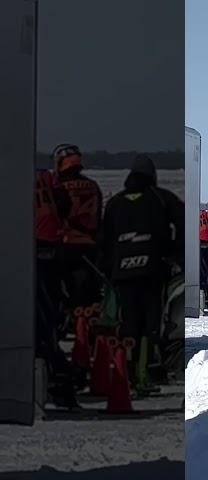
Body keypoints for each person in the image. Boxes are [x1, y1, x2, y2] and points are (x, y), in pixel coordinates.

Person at [101, 155, 184, 393]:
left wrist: (109, 267)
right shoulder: (160, 198)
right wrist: (174, 253)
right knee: (152, 321)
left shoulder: (115, 202)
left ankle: (125, 370)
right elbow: (182, 222)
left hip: (122, 273)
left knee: (127, 321)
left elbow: (104, 238)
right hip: (152, 270)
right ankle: (146, 370)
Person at [35, 168, 78, 408]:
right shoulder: (47, 176)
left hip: (29, 245)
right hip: (52, 247)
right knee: (45, 318)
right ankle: (60, 384)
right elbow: (64, 204)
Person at [52, 144, 103, 323]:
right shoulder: (92, 185)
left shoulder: (59, 188)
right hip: (91, 246)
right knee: (90, 294)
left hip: (65, 245)